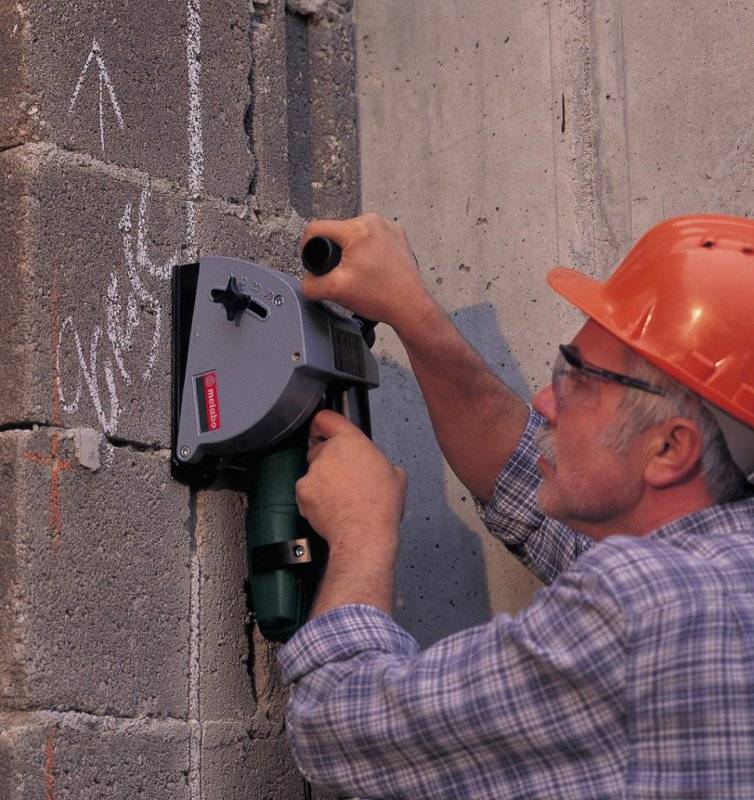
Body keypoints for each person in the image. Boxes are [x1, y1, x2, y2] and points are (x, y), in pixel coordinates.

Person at [279, 212, 754, 799]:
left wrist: (360, 538)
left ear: (668, 447)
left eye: (578, 381)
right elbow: (523, 485)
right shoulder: (722, 566)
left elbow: (337, 731)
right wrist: (412, 313)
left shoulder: (640, 608)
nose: (544, 402)